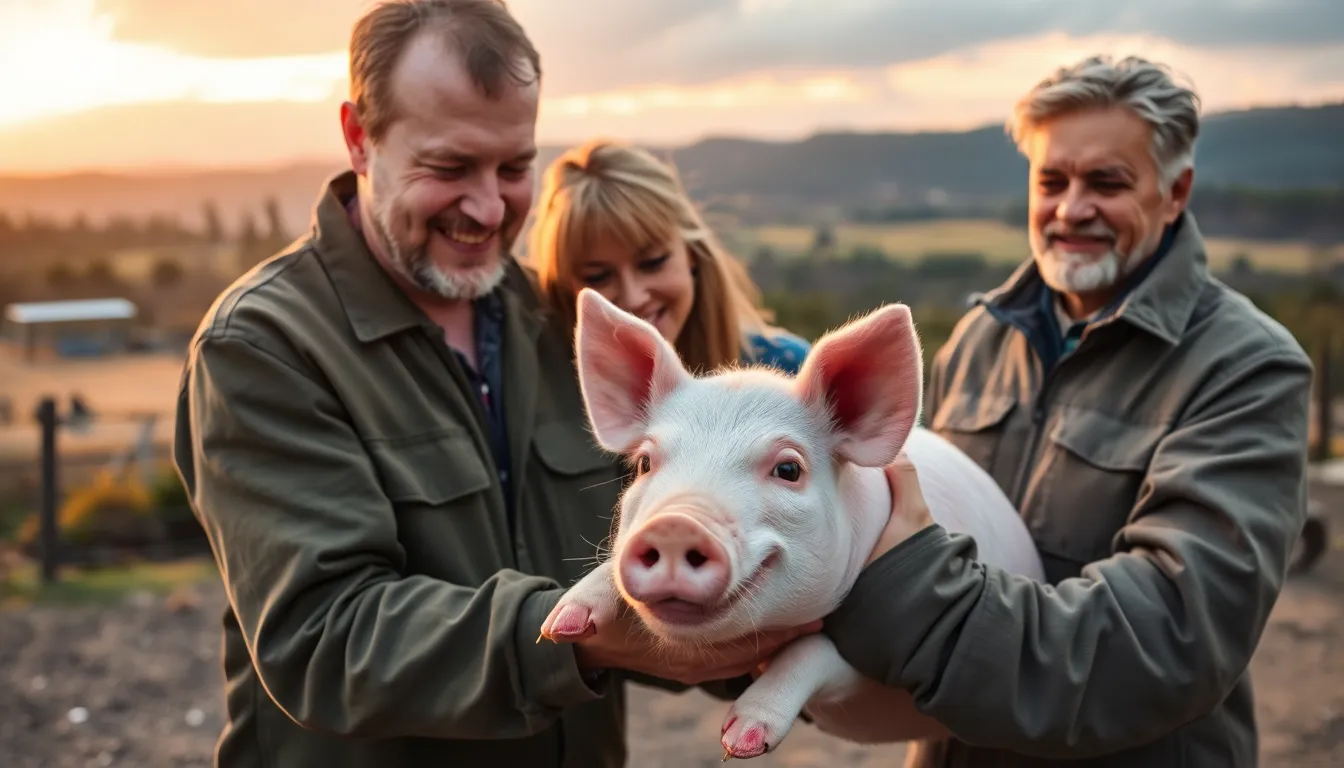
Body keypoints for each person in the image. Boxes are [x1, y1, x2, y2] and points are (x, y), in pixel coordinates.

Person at [170, 2, 816, 767]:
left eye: (514, 168)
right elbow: (324, 638)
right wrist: (576, 639)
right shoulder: (264, 346)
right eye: (449, 168)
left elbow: (661, 560)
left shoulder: (556, 321)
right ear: (359, 138)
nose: (487, 207)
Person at [825, 54, 1314, 767]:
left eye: (1107, 182)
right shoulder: (980, 339)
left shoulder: (1247, 369)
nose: (1071, 207)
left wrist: (912, 608)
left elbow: (1168, 637)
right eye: (1051, 181)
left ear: (1176, 192)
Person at [528, 137, 811, 375]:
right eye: (598, 277)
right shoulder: (545, 390)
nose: (634, 297)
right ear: (567, 287)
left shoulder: (785, 369)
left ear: (691, 253)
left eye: (653, 263)